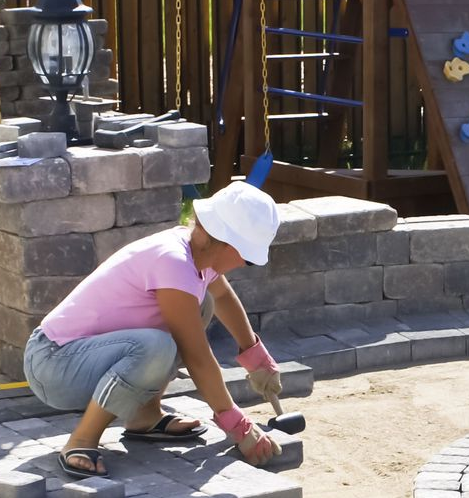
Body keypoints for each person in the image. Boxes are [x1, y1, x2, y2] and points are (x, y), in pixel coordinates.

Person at [22, 182, 285, 478]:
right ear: (227, 243)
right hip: (53, 365)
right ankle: (81, 440)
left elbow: (223, 297)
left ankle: (145, 417)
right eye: (246, 257)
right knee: (155, 347)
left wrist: (255, 357)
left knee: (202, 306)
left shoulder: (200, 254)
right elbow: (197, 355)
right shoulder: (173, 262)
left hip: (80, 357)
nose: (243, 264)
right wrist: (236, 424)